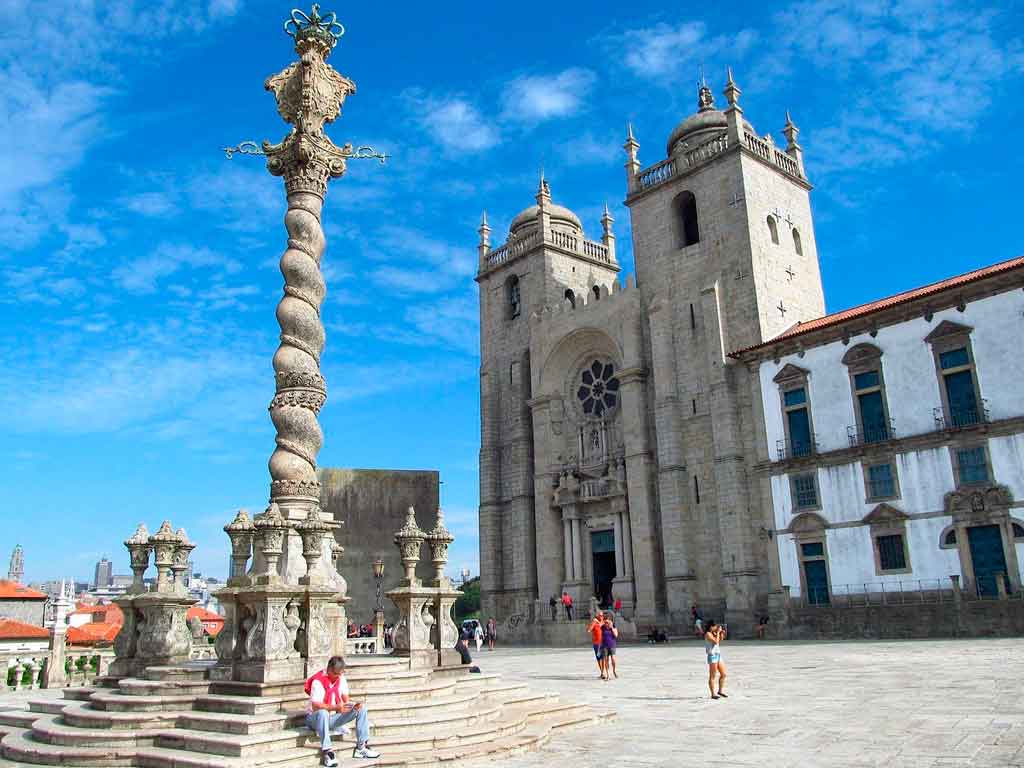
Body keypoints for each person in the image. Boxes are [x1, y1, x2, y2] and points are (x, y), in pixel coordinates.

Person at [305, 656, 380, 764]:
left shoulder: (341, 678)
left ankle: (361, 747)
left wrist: (352, 706)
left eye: (340, 674)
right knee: (323, 712)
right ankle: (328, 752)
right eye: (336, 674)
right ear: (329, 670)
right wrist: (336, 707)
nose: (338, 676)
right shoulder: (318, 681)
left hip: (332, 718)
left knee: (361, 708)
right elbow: (315, 706)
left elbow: (345, 700)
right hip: (314, 719)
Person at [704, 621, 728, 700]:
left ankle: (720, 691)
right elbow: (716, 641)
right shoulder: (708, 634)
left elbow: (720, 640)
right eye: (715, 626)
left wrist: (722, 633)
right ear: (711, 627)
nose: (716, 628)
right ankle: (713, 694)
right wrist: (718, 632)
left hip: (718, 655)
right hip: (712, 655)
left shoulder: (714, 633)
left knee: (723, 674)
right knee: (712, 676)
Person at [587, 611, 605, 679]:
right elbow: (589, 629)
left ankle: (604, 672)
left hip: (603, 643)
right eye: (600, 615)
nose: (601, 616)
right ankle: (602, 672)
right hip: (597, 643)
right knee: (599, 658)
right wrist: (594, 625)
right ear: (597, 616)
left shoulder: (603, 622)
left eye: (602, 615)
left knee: (603, 657)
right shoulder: (594, 622)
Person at [600, 614, 619, 679]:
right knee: (606, 660)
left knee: (613, 659)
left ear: (611, 622)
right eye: (605, 622)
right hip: (604, 646)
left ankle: (614, 671)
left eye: (607, 622)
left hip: (612, 645)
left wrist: (612, 628)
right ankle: (608, 674)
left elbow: (616, 635)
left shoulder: (613, 627)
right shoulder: (602, 627)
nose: (606, 623)